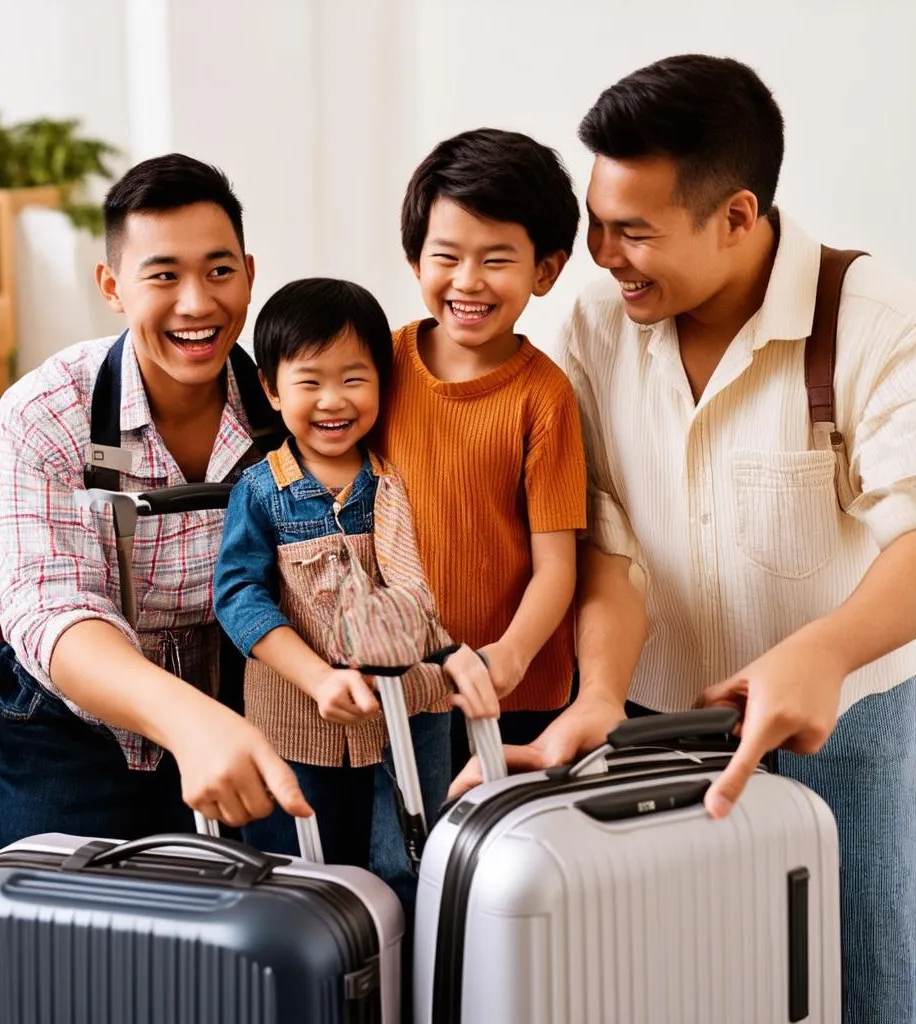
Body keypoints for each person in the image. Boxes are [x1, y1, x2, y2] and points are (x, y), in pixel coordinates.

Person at [453, 55, 916, 1024]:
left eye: (634, 232)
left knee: (863, 979)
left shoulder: (872, 320)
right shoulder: (591, 325)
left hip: (845, 725)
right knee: (684, 980)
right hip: (659, 719)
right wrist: (595, 699)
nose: (602, 255)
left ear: (737, 216)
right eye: (595, 223)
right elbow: (610, 537)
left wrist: (822, 650)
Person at [0, 153, 311, 850]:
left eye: (219, 271)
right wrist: (186, 718)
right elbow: (49, 607)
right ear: (112, 285)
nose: (196, 303)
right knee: (46, 942)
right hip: (75, 720)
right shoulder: (47, 411)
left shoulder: (297, 410)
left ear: (249, 276)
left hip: (247, 699)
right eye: (164, 275)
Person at [212, 277, 496, 888]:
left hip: (408, 712)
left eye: (353, 379)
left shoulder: (395, 482)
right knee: (303, 872)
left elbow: (423, 585)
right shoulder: (262, 491)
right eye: (309, 382)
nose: (333, 401)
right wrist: (316, 677)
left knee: (412, 865)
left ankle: (410, 977)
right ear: (271, 388)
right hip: (299, 718)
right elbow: (238, 597)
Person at [383, 127, 587, 777]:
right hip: (401, 682)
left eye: (497, 259)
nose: (467, 281)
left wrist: (514, 654)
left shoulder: (545, 396)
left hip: (514, 693)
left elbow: (557, 564)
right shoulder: (377, 365)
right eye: (447, 256)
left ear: (546, 271)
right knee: (410, 857)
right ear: (416, 260)